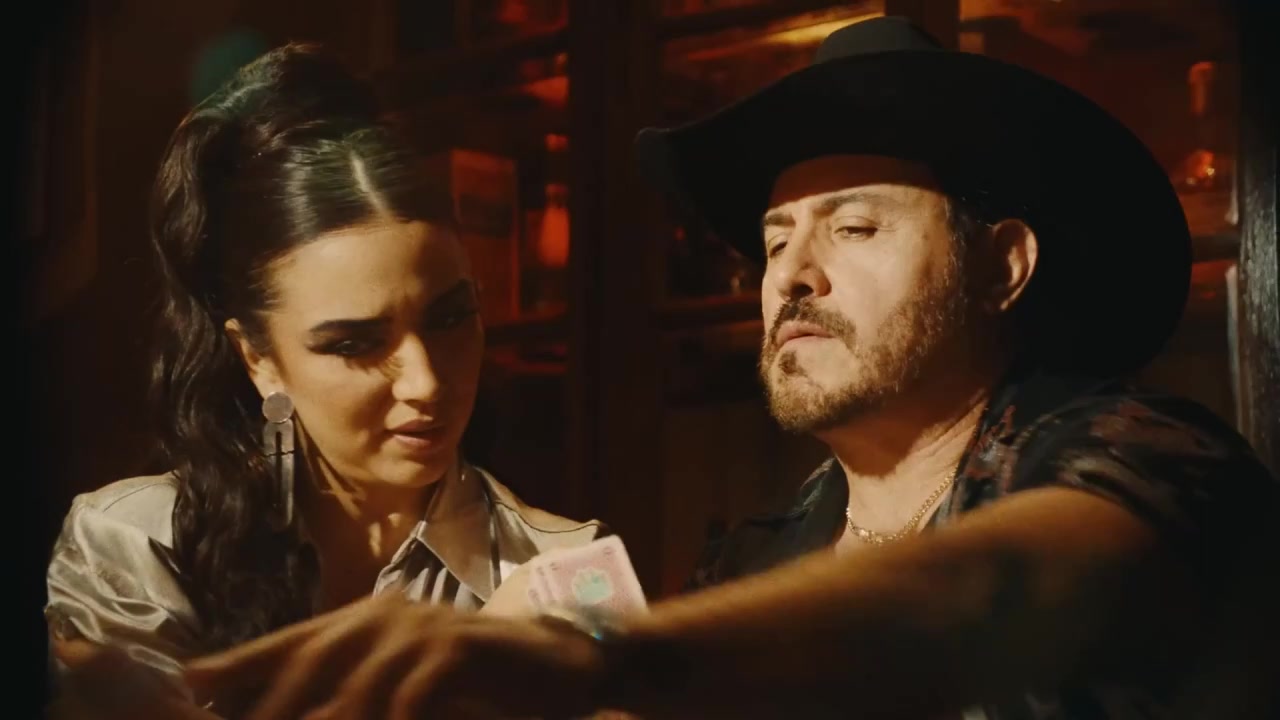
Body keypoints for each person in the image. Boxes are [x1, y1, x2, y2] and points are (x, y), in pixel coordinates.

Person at [183, 15, 1280, 720]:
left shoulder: (1149, 457)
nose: (791, 275)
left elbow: (998, 589)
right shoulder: (755, 561)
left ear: (1000, 267)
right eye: (772, 240)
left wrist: (607, 655)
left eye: (853, 228)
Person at [42, 42, 605, 718]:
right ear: (257, 358)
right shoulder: (140, 545)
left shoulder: (568, 570)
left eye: (450, 318)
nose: (425, 381)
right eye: (354, 344)